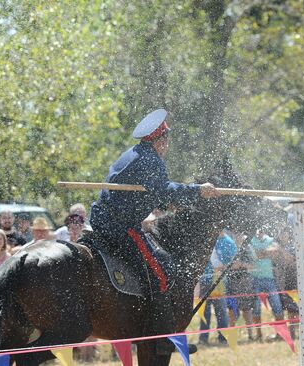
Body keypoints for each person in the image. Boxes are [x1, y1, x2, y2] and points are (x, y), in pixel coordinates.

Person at [88, 108, 219, 355]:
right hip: (121, 225)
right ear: (160, 141)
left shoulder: (134, 154)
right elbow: (163, 189)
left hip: (106, 220)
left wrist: (167, 199)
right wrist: (197, 190)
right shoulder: (150, 160)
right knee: (162, 271)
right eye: (166, 140)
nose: (167, 145)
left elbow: (151, 193)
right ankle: (162, 336)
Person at [249, 229, 284, 341]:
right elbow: (255, 255)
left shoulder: (270, 239)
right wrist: (266, 253)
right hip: (255, 278)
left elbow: (275, 251)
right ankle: (259, 335)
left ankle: (280, 334)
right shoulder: (250, 240)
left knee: (277, 306)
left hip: (269, 278)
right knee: (256, 308)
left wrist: (260, 253)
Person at [225, 233, 256, 340]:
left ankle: (251, 335)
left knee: (247, 310)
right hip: (231, 283)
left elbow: (253, 266)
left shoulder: (247, 249)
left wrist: (241, 264)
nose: (238, 237)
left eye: (240, 235)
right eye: (236, 235)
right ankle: (232, 337)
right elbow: (224, 265)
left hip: (245, 283)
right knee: (232, 311)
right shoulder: (229, 247)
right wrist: (232, 266)